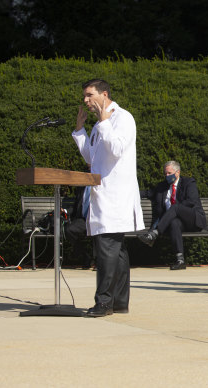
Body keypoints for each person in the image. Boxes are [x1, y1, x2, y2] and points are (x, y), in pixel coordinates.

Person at [73, 79, 144, 317]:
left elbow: (116, 149)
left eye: (89, 95)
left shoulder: (123, 118)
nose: (85, 100)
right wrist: (80, 131)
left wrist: (103, 123)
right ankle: (119, 302)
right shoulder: (98, 126)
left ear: (104, 94)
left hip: (115, 197)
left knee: (107, 251)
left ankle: (104, 303)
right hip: (102, 196)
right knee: (117, 251)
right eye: (84, 96)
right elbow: (91, 159)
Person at [138, 161, 207, 270]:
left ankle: (154, 233)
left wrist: (176, 209)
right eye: (165, 174)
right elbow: (148, 193)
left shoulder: (189, 183)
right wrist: (129, 192)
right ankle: (180, 260)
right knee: (174, 223)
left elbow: (191, 201)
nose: (167, 176)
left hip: (193, 219)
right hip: (176, 222)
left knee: (175, 207)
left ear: (177, 172)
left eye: (169, 173)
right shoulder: (162, 187)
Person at [64, 177, 94, 270]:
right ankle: (85, 257)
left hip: (98, 218)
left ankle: (98, 261)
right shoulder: (82, 187)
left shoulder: (102, 186)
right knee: (69, 230)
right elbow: (77, 205)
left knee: (99, 232)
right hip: (83, 219)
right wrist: (65, 211)